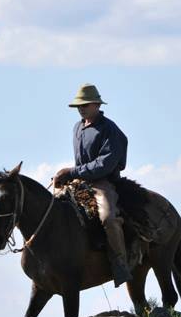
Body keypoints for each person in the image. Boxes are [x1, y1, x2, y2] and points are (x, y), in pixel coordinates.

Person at [53, 83, 132, 287]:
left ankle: (121, 263)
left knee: (108, 217)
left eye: (85, 104)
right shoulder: (77, 127)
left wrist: (72, 172)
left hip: (103, 182)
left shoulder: (110, 129)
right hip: (79, 181)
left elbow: (105, 163)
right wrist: (68, 176)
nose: (81, 108)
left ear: (97, 104)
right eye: (79, 105)